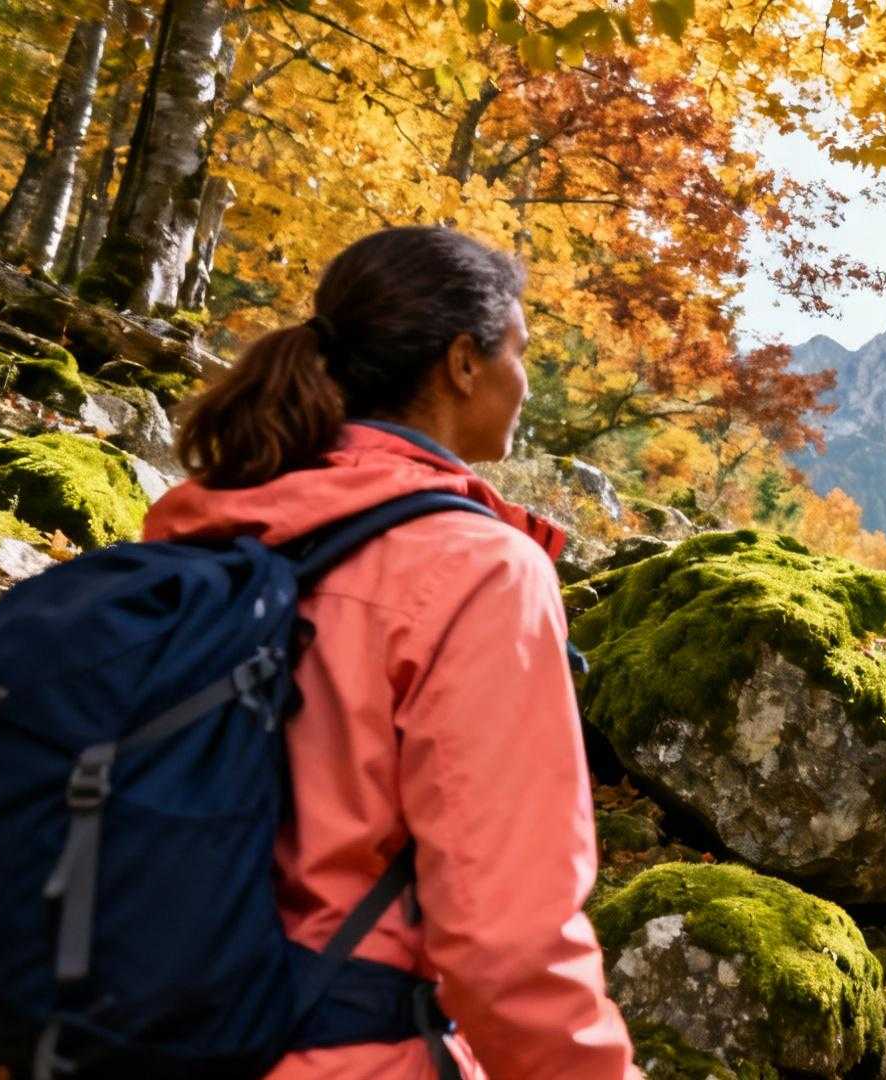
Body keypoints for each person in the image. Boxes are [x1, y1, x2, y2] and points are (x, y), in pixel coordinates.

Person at [143, 226, 637, 1078]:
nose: (526, 383)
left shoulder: (209, 524)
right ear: (461, 363)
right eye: (519, 352)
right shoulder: (477, 570)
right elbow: (507, 937)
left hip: (130, 1022)